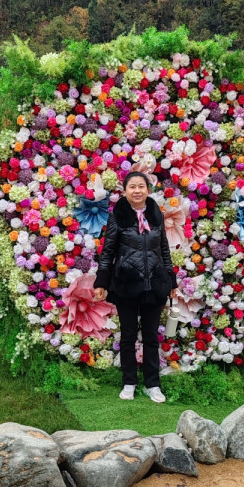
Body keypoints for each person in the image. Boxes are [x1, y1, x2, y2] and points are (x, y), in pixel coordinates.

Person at [93, 171, 177, 402]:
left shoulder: (156, 215)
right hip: (126, 285)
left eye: (141, 186)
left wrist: (171, 280)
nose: (137, 190)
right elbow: (108, 251)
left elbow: (164, 249)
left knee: (151, 337)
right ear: (125, 191)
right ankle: (129, 382)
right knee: (128, 336)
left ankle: (153, 384)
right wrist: (101, 282)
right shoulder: (117, 217)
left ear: (148, 190)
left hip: (155, 284)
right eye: (132, 186)